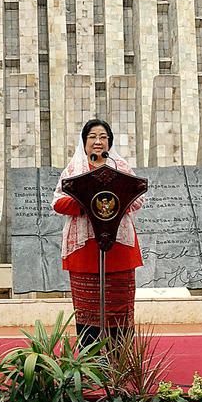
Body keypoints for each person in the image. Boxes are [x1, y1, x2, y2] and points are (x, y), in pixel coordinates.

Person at [52, 119, 143, 347]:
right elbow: (58, 203)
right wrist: (85, 204)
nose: (98, 142)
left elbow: (139, 199)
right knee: (87, 311)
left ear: (109, 142)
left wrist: (115, 203)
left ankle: (119, 363)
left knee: (119, 310)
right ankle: (89, 365)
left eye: (103, 137)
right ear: (84, 142)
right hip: (85, 251)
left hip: (119, 249)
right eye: (92, 137)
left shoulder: (121, 169)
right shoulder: (73, 170)